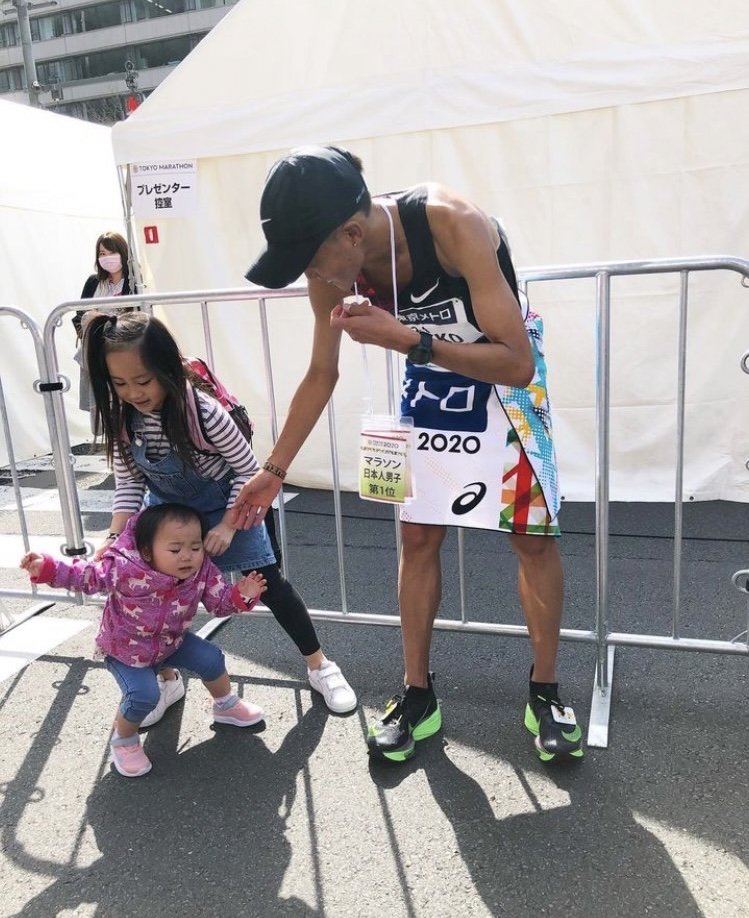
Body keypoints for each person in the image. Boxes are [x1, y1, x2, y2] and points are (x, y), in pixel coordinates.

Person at [236, 144, 583, 764]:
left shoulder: (452, 224)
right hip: (431, 377)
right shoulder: (334, 268)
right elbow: (321, 373)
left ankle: (546, 691)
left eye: (308, 262)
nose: (308, 279)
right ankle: (417, 694)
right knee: (418, 538)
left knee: (532, 539)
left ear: (350, 233)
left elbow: (516, 361)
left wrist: (408, 339)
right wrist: (273, 469)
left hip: (502, 374)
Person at [81, 310, 357, 727]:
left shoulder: (204, 414)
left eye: (143, 381)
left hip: (232, 501)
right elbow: (129, 482)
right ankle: (167, 679)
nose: (133, 393)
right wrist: (114, 537)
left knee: (269, 585)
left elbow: (248, 472)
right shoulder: (123, 419)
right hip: (169, 512)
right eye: (119, 384)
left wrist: (228, 524)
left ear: (167, 370)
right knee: (153, 594)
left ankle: (319, 665)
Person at [20, 503, 268, 778]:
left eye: (195, 547)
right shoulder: (124, 567)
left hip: (172, 641)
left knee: (212, 658)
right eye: (175, 550)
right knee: (144, 695)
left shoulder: (202, 570)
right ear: (147, 551)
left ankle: (226, 705)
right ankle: (124, 740)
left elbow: (219, 605)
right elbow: (86, 577)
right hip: (125, 650)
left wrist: (241, 596)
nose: (187, 556)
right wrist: (48, 568)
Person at [72, 231, 133, 436]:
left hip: (122, 348)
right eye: (102, 253)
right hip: (94, 348)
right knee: (102, 406)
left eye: (111, 252)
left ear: (123, 253)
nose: (106, 257)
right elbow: (78, 315)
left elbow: (136, 316)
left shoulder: (134, 281)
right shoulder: (93, 282)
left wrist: (106, 320)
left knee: (124, 402)